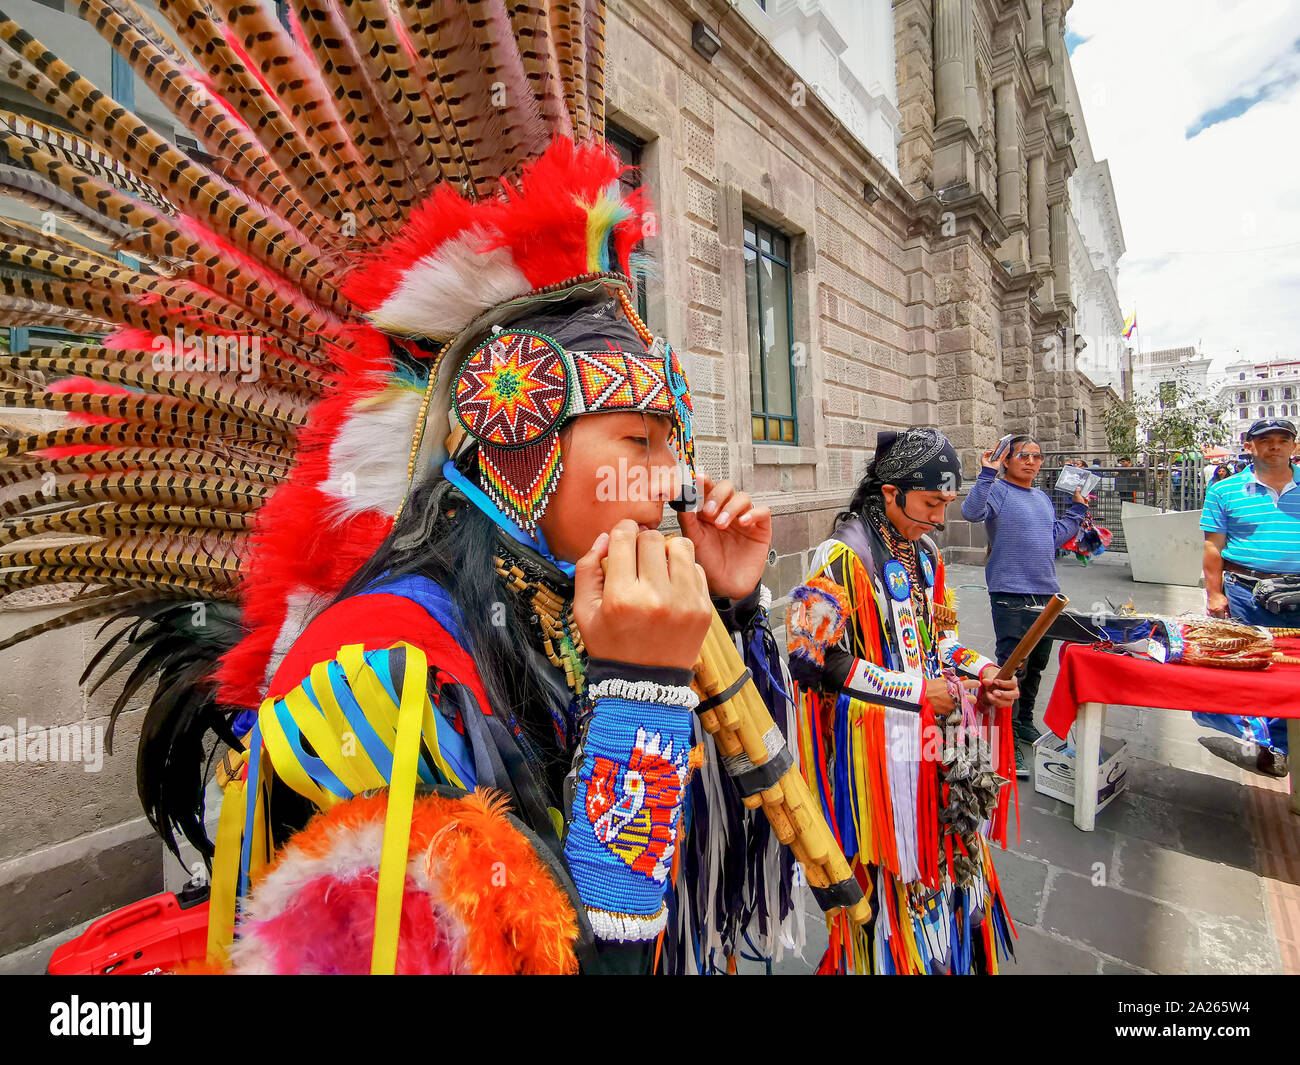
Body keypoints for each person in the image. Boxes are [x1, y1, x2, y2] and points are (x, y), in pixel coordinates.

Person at [0, 4, 807, 974]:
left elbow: (717, 815)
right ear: (512, 440)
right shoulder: (384, 673)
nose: (670, 478)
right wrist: (634, 692)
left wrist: (730, 604)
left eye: (671, 443)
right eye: (637, 438)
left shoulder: (556, 586)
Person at [785, 428, 1020, 974]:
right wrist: (912, 691)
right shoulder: (842, 556)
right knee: (888, 891)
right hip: (876, 769)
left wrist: (986, 673)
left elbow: (940, 640)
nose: (939, 517)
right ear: (891, 492)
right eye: (931, 503)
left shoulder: (927, 553)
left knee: (951, 869)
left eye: (946, 504)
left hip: (936, 749)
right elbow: (807, 658)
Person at [961, 436, 1090, 775]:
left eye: (1037, 456)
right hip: (1011, 594)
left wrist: (1078, 509)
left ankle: (1024, 724)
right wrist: (986, 473)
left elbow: (1053, 538)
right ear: (1006, 459)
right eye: (1023, 455)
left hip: (1047, 597)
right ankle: (1007, 738)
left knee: (1036, 669)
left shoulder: (1042, 498)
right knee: (1011, 671)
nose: (1031, 461)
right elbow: (971, 512)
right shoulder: (999, 491)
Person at [1200, 417, 1300, 777]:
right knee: (1255, 668)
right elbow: (1213, 547)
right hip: (1247, 593)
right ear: (1250, 446)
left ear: (1294, 446)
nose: (1275, 446)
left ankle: (1285, 745)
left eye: (1283, 439)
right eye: (1266, 440)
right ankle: (1269, 748)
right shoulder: (1226, 491)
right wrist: (1214, 594)